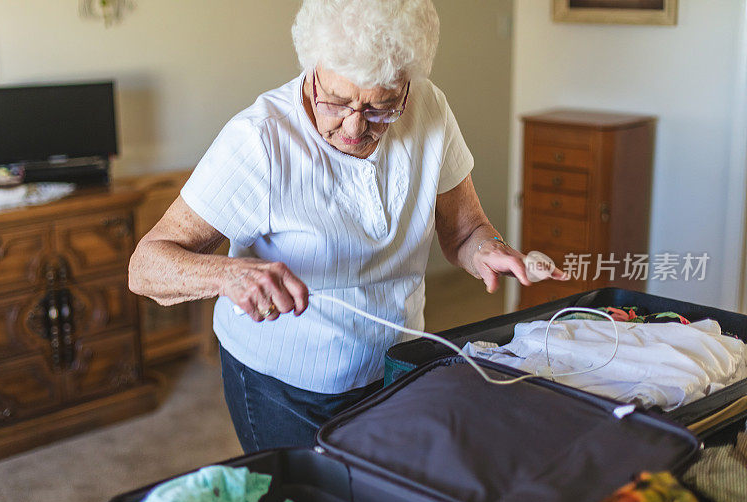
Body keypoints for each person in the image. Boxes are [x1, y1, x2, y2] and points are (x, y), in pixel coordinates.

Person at [128, 0, 566, 453]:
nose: (355, 127)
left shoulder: (429, 107)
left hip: (397, 365)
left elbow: (465, 231)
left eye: (381, 108)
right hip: (283, 387)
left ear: (407, 88)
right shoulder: (259, 140)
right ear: (313, 70)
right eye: (337, 102)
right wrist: (230, 275)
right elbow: (145, 266)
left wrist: (490, 248)